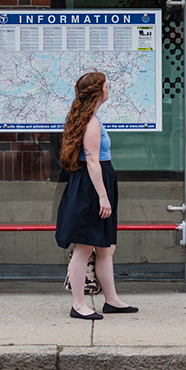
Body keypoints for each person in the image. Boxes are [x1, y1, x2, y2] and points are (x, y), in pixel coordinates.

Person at [56, 71, 138, 320]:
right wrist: (103, 197)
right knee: (84, 246)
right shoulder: (91, 123)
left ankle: (111, 300)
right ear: (97, 92)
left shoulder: (90, 119)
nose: (108, 88)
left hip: (99, 183)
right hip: (92, 187)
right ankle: (78, 304)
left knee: (105, 247)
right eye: (105, 85)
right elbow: (92, 162)